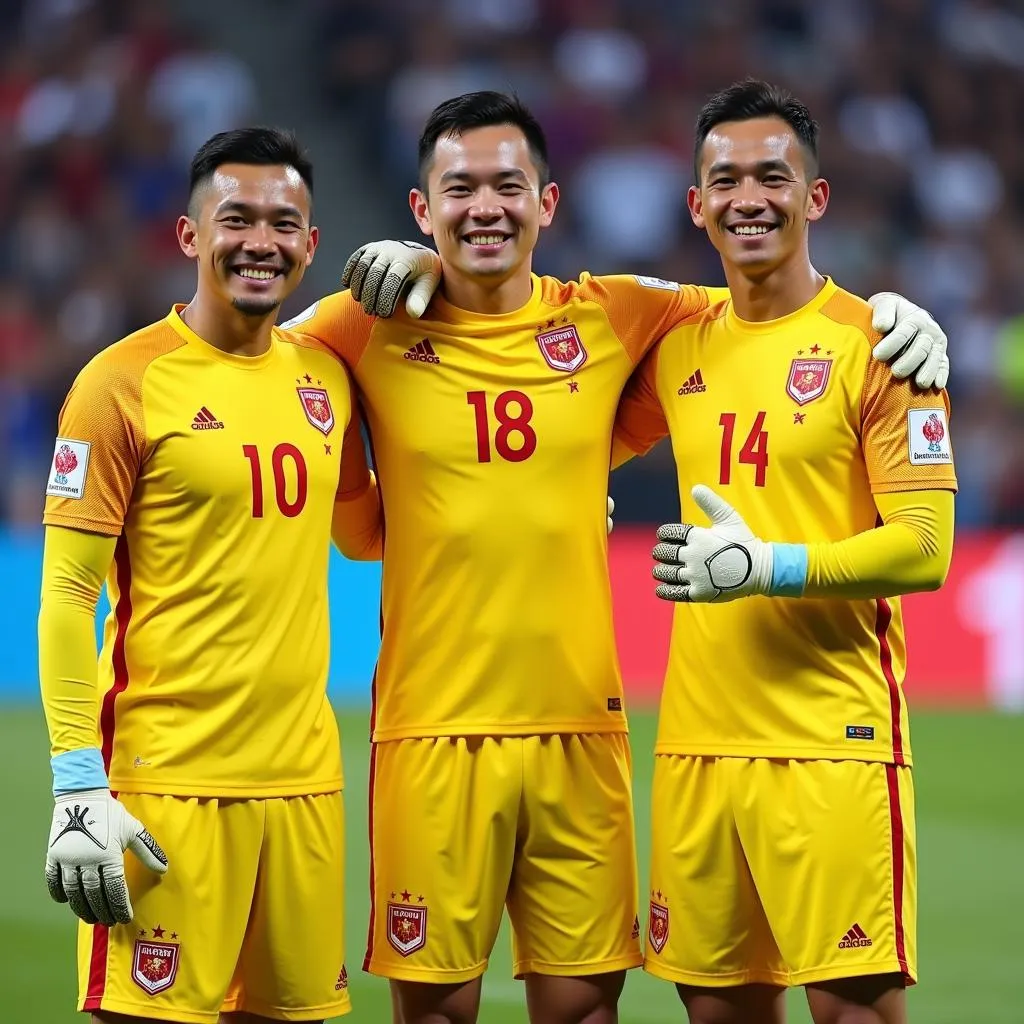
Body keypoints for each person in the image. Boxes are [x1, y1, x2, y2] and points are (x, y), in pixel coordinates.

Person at [288, 91, 950, 1024]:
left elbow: (773, 321)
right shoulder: (373, 329)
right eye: (459, 191)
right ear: (419, 207)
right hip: (482, 733)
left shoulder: (627, 319)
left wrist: (905, 311)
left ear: (548, 204)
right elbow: (265, 375)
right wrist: (381, 276)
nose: (486, 208)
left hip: (657, 736)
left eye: (508, 186)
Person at [611, 80, 957, 1024]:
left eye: (774, 175)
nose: (748, 197)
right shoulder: (679, 347)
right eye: (725, 179)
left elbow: (926, 549)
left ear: (816, 197)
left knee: (851, 1011)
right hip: (695, 746)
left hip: (831, 744)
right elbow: (550, 419)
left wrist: (771, 567)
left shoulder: (881, 346)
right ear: (696, 205)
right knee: (716, 1012)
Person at [40, 127, 381, 1024]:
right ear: (191, 236)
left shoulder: (327, 379)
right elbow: (69, 592)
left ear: (311, 245)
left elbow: (368, 533)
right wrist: (78, 783)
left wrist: (543, 492)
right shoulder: (119, 384)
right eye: (236, 219)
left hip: (305, 784)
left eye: (284, 223)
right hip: (167, 787)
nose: (259, 241)